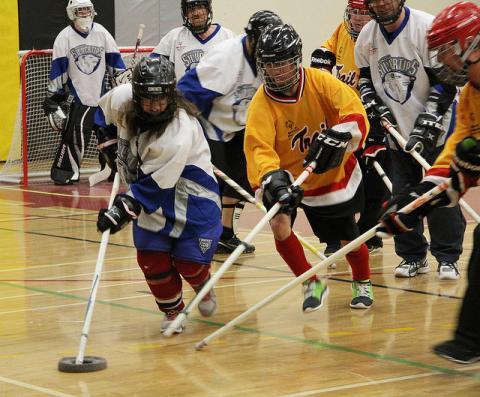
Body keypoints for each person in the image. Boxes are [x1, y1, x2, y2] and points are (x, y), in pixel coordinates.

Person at [245, 24, 374, 312]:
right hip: (288, 176)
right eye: (269, 65)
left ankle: (363, 280)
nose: (276, 71)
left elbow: (352, 109)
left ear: (295, 60)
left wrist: (342, 134)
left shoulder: (320, 82)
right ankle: (310, 282)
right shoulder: (261, 103)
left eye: (281, 64)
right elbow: (259, 148)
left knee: (346, 239)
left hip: (329, 172)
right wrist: (272, 179)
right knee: (279, 225)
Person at [379, 1, 480, 364]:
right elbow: (455, 158)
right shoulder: (471, 95)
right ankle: (471, 341)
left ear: (470, 44)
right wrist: (413, 202)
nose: (441, 61)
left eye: (446, 51)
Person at [95, 56, 222, 334]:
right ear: (137, 95)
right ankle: (173, 311)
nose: (153, 107)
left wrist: (121, 211)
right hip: (150, 193)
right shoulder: (123, 99)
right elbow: (100, 114)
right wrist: (108, 141)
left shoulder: (177, 131)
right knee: (151, 258)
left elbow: (155, 186)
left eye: (160, 100)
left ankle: (202, 284)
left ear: (171, 96)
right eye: (147, 100)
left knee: (189, 262)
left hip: (191, 196)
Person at [354, 0, 466, 280]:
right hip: (397, 129)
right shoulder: (367, 36)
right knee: (402, 193)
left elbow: (446, 81)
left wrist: (428, 123)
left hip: (439, 128)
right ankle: (413, 256)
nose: (382, 3)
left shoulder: (425, 28)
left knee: (438, 192)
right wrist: (371, 102)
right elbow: (365, 78)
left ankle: (447, 257)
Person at [177, 10, 283, 254]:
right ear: (253, 38)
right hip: (209, 122)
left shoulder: (268, 55)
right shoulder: (225, 58)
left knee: (240, 180)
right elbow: (185, 92)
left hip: (241, 124)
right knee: (209, 185)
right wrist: (187, 133)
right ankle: (200, 236)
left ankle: (225, 234)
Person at [311, 0, 388, 256]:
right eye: (354, 12)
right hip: (346, 119)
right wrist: (321, 65)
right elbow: (326, 51)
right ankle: (335, 238)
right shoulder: (342, 30)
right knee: (339, 178)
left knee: (376, 182)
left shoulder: (378, 37)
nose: (357, 18)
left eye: (363, 12)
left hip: (375, 117)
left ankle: (368, 233)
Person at [42, 0, 126, 185]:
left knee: (110, 138)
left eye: (87, 9)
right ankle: (66, 172)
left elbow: (115, 62)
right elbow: (58, 70)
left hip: (103, 99)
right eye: (80, 10)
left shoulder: (102, 33)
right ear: (72, 13)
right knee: (75, 138)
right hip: (79, 99)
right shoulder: (64, 38)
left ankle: (112, 169)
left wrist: (124, 82)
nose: (84, 13)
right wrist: (53, 99)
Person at [150, 0, 235, 79]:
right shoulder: (174, 37)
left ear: (208, 10)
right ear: (186, 14)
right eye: (191, 9)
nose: (196, 13)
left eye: (200, 8)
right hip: (183, 95)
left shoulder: (227, 36)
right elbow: (152, 67)